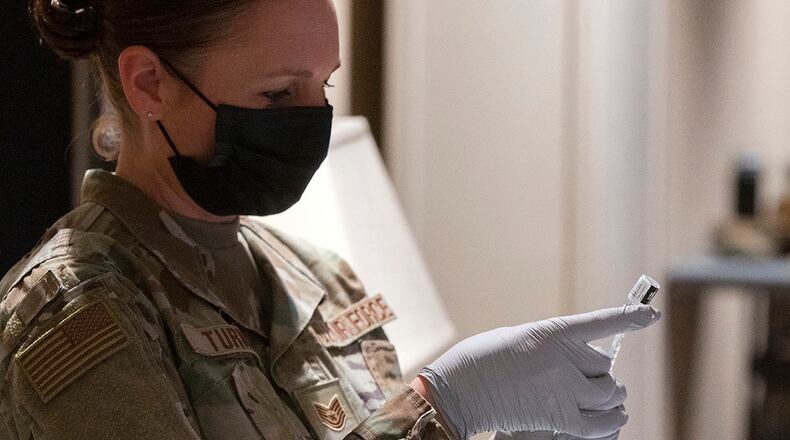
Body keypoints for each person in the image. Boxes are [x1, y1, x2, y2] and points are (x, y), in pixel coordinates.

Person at [0, 0, 661, 439]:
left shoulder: (317, 278)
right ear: (149, 83)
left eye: (324, 86)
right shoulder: (78, 311)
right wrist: (445, 404)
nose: (311, 118)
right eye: (277, 93)